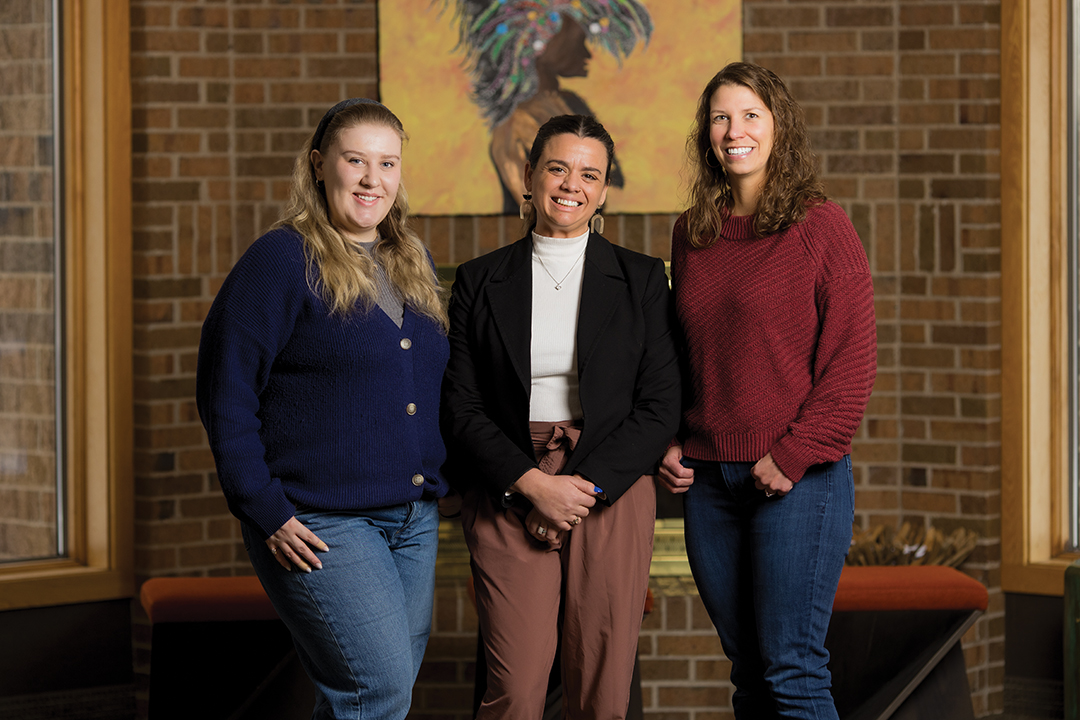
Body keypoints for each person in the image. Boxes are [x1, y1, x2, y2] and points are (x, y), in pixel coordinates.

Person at [196, 98, 449, 720]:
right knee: (377, 690)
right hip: (321, 522)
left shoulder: (410, 260)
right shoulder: (281, 260)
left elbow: (423, 390)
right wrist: (265, 509)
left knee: (369, 696)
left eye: (387, 163)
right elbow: (224, 392)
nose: (372, 179)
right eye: (355, 160)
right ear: (319, 165)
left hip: (411, 521)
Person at [441, 114, 681, 719]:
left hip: (612, 484)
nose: (571, 184)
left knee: (602, 693)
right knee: (515, 691)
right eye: (557, 167)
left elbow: (659, 406)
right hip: (509, 483)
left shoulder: (642, 279)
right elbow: (461, 407)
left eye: (589, 174)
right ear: (529, 175)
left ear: (602, 191)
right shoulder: (477, 281)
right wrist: (533, 487)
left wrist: (582, 491)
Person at [658, 62, 877, 719]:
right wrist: (669, 437)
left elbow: (852, 361)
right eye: (721, 117)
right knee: (749, 675)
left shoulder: (822, 227)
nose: (735, 131)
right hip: (708, 484)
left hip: (799, 479)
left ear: (779, 128)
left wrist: (791, 456)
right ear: (707, 134)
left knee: (793, 672)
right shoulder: (692, 232)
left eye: (751, 115)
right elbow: (679, 351)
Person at [445, 0, 652, 212]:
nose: (588, 54)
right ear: (543, 48)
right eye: (577, 43)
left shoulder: (571, 103)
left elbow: (611, 177)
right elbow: (538, 210)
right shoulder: (516, 124)